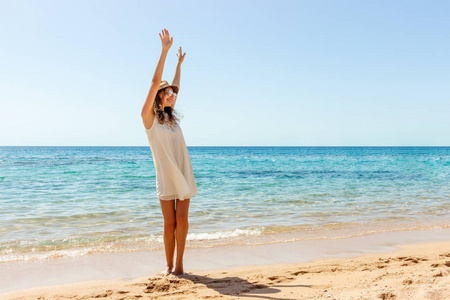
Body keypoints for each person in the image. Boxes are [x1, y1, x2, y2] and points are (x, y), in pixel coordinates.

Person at [141, 29, 197, 276]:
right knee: (169, 223)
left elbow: (177, 87)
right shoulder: (150, 120)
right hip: (166, 176)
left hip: (182, 171)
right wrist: (163, 51)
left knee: (182, 221)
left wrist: (179, 64)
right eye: (168, 93)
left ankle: (179, 265)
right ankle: (167, 265)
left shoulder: (172, 119)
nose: (172, 95)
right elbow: (155, 83)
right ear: (158, 96)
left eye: (173, 94)